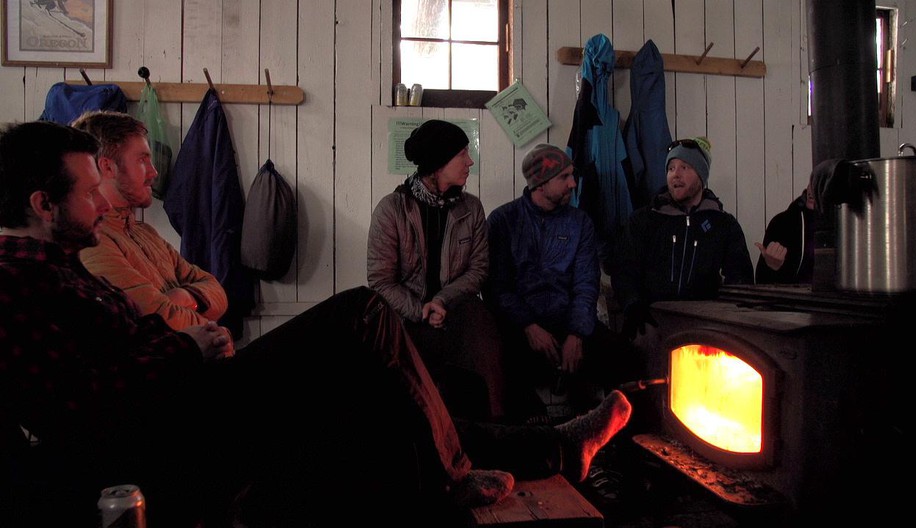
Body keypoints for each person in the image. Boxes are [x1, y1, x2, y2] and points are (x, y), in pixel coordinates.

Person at [0, 120, 633, 527]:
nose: (102, 201)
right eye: (87, 191)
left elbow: (204, 293)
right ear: (41, 204)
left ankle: (553, 445)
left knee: (379, 395)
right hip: (177, 423)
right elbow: (85, 404)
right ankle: (462, 472)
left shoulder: (58, 263)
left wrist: (181, 329)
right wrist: (184, 348)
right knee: (365, 309)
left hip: (190, 389)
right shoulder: (21, 283)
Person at [485, 143, 642, 421]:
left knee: (627, 358)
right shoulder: (504, 221)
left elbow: (586, 284)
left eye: (572, 175)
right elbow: (497, 287)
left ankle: (625, 438)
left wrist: (576, 334)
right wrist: (529, 327)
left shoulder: (579, 222)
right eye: (564, 177)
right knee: (497, 362)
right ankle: (531, 439)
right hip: (520, 326)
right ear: (540, 184)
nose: (572, 183)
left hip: (568, 322)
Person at [368, 119, 508, 421]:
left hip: (455, 306)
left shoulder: (471, 208)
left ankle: (492, 430)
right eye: (462, 154)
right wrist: (420, 310)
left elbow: (478, 269)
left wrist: (442, 300)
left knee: (485, 342)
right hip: (408, 311)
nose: (470, 161)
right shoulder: (392, 210)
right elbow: (381, 280)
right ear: (438, 163)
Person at [70, 110, 231, 336]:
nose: (154, 172)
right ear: (107, 167)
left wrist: (186, 297)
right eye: (142, 160)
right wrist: (211, 331)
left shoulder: (144, 232)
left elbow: (216, 291)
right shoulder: (93, 241)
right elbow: (157, 320)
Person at [604, 137, 754, 338]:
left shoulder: (724, 225)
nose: (676, 174)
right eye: (671, 168)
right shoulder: (645, 219)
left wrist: (727, 319)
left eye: (685, 167)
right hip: (649, 323)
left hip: (704, 328)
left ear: (701, 176)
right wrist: (633, 305)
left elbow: (740, 278)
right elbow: (624, 269)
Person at [754, 174, 816, 284]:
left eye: (822, 182)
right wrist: (772, 266)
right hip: (795, 299)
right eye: (812, 180)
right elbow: (761, 282)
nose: (812, 187)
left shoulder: (849, 225)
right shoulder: (783, 223)